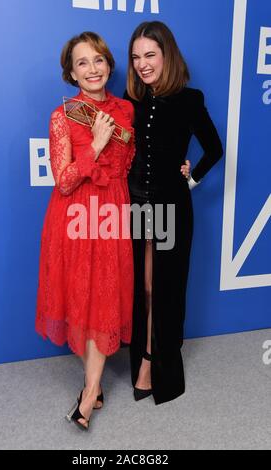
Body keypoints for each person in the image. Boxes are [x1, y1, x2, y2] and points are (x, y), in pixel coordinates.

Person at [35, 32, 135, 429]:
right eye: (82, 63)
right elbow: (63, 180)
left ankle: (90, 392)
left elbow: (129, 165)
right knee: (81, 298)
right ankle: (93, 385)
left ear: (109, 65)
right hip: (75, 216)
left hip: (112, 212)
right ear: (71, 72)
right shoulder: (63, 116)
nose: (92, 69)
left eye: (98, 60)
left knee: (104, 298)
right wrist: (94, 145)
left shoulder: (126, 110)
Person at [124, 21, 223, 405]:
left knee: (163, 287)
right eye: (136, 57)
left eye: (150, 55)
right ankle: (144, 355)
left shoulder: (189, 99)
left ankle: (155, 362)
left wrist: (191, 177)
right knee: (144, 287)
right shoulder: (129, 101)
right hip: (137, 206)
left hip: (169, 207)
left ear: (167, 55)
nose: (142, 64)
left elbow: (213, 149)